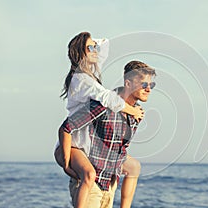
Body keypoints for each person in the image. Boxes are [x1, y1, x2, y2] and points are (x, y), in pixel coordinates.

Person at [54, 32, 144, 208]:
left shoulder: (90, 75)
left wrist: (92, 42)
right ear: (80, 53)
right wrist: (133, 110)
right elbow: (108, 98)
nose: (96, 50)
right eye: (90, 48)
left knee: (133, 166)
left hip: (88, 145)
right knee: (89, 174)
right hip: (75, 143)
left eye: (95, 47)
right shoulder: (81, 78)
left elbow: (105, 46)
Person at [61, 60, 156, 207]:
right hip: (90, 184)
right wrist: (66, 163)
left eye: (151, 85)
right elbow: (67, 127)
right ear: (128, 83)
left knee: (134, 165)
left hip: (109, 186)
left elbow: (120, 149)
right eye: (144, 84)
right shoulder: (103, 105)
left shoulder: (136, 114)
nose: (148, 89)